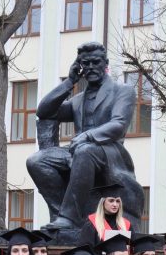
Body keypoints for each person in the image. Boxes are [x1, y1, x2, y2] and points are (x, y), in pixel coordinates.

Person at [29, 41, 143, 230]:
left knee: (85, 151)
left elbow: (118, 125)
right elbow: (44, 111)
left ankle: (69, 217)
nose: (90, 67)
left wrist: (87, 136)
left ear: (105, 64)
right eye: (85, 63)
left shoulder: (122, 91)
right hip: (79, 151)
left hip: (110, 152)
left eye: (95, 62)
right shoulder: (78, 99)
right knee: (36, 161)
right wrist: (69, 82)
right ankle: (60, 216)